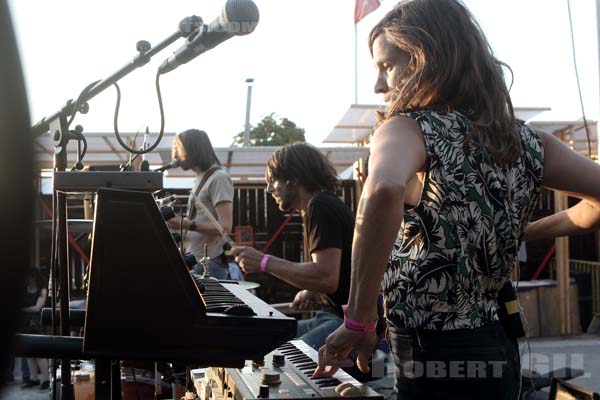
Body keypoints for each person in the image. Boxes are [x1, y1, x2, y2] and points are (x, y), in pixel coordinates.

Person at [314, 1, 600, 399]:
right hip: (498, 347)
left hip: (431, 348)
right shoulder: (531, 142)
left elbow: (382, 191)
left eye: (388, 66)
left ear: (425, 59)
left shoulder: (407, 129)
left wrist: (360, 319)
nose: (379, 85)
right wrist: (524, 231)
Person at [231, 143, 355, 349]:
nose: (270, 189)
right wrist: (312, 290)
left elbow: (326, 277)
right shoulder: (320, 205)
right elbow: (339, 273)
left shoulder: (320, 206)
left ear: (292, 179)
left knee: (283, 360)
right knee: (265, 339)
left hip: (344, 323)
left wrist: (263, 262)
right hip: (330, 316)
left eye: (273, 181)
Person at [167, 129, 236, 280]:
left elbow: (225, 227)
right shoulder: (201, 178)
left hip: (209, 263)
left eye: (178, 150)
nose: (175, 156)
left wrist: (186, 224)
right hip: (196, 259)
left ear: (192, 150)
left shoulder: (219, 178)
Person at [20, 268, 49, 390]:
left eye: (30, 277)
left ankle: (46, 379)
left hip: (37, 324)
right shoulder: (24, 290)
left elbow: (37, 308)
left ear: (35, 277)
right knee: (28, 353)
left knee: (39, 353)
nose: (29, 279)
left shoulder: (42, 290)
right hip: (25, 324)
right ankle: (34, 378)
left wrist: (22, 310)